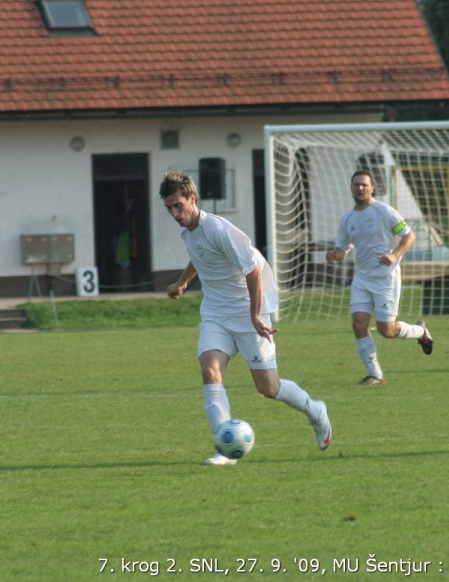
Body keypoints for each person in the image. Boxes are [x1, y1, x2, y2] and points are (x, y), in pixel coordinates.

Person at [160, 172, 331, 465]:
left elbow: (252, 270)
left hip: (248, 312)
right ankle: (225, 447)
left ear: (192, 198)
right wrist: (183, 282)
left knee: (269, 388)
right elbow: (199, 256)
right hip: (215, 312)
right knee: (210, 369)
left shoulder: (218, 228)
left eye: (178, 205)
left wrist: (255, 314)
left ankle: (316, 411)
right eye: (169, 208)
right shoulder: (188, 232)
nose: (175, 214)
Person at [325, 170, 433, 386]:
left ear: (372, 188)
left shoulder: (384, 212)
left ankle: (420, 331)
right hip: (362, 279)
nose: (360, 188)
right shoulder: (347, 218)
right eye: (356, 184)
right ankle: (375, 374)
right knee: (358, 323)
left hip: (386, 279)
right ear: (351, 188)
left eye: (364, 185)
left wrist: (394, 255)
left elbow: (409, 236)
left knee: (387, 330)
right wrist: (335, 255)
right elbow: (343, 248)